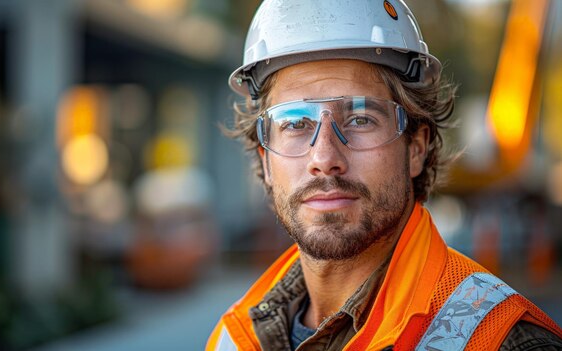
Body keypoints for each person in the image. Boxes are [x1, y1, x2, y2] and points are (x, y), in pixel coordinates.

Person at [207, 0, 562, 350]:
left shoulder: (503, 341)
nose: (325, 157)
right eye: (296, 123)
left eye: (361, 118)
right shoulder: (234, 338)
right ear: (265, 160)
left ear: (416, 148)